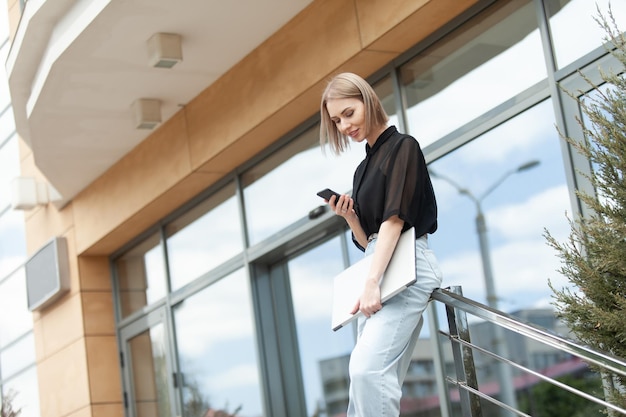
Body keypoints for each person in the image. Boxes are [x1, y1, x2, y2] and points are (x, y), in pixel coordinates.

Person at [319, 72, 443, 417]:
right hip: (378, 265)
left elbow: (395, 222)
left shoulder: (403, 147)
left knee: (366, 371)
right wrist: (351, 218)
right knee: (364, 382)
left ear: (367, 100)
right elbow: (369, 239)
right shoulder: (362, 170)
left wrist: (372, 282)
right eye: (336, 120)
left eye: (348, 113)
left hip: (404, 266)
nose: (344, 126)